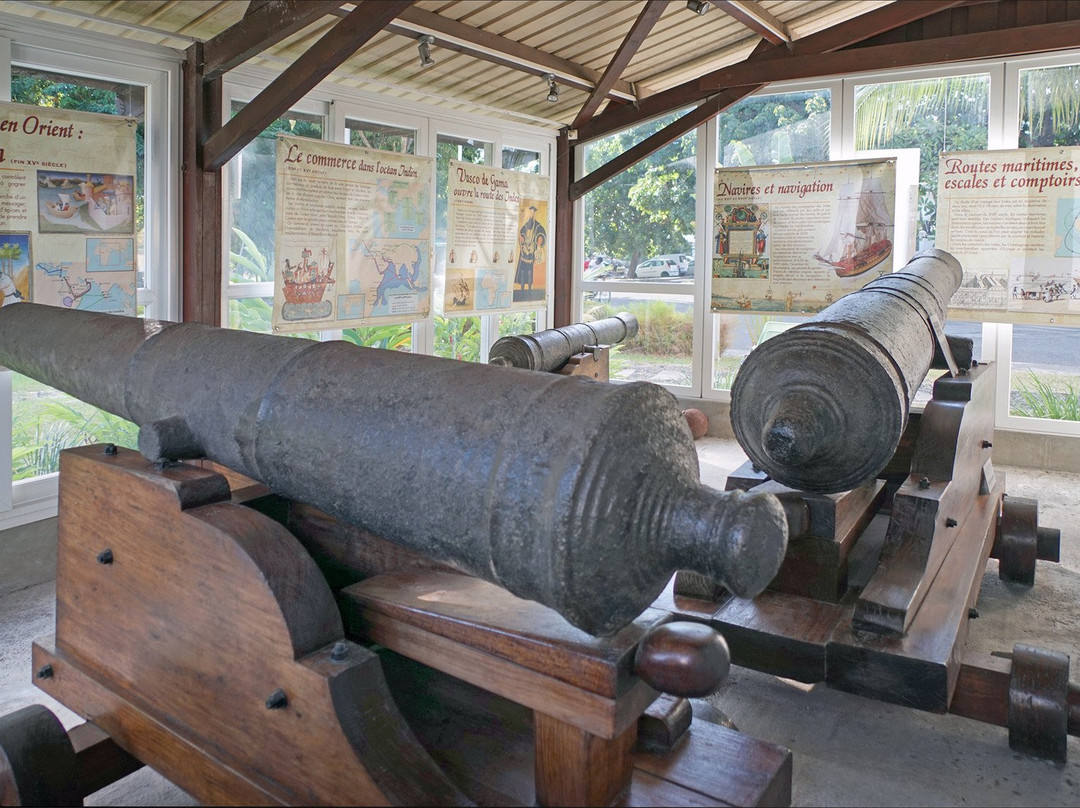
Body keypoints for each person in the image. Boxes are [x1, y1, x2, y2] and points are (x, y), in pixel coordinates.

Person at [514, 204, 546, 292]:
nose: (531, 215)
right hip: (524, 251)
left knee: (530, 272)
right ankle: (522, 289)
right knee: (523, 271)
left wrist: (540, 238)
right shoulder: (525, 225)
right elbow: (522, 233)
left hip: (532, 252)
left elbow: (541, 233)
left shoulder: (538, 226)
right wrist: (522, 238)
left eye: (533, 213)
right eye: (530, 213)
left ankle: (529, 289)